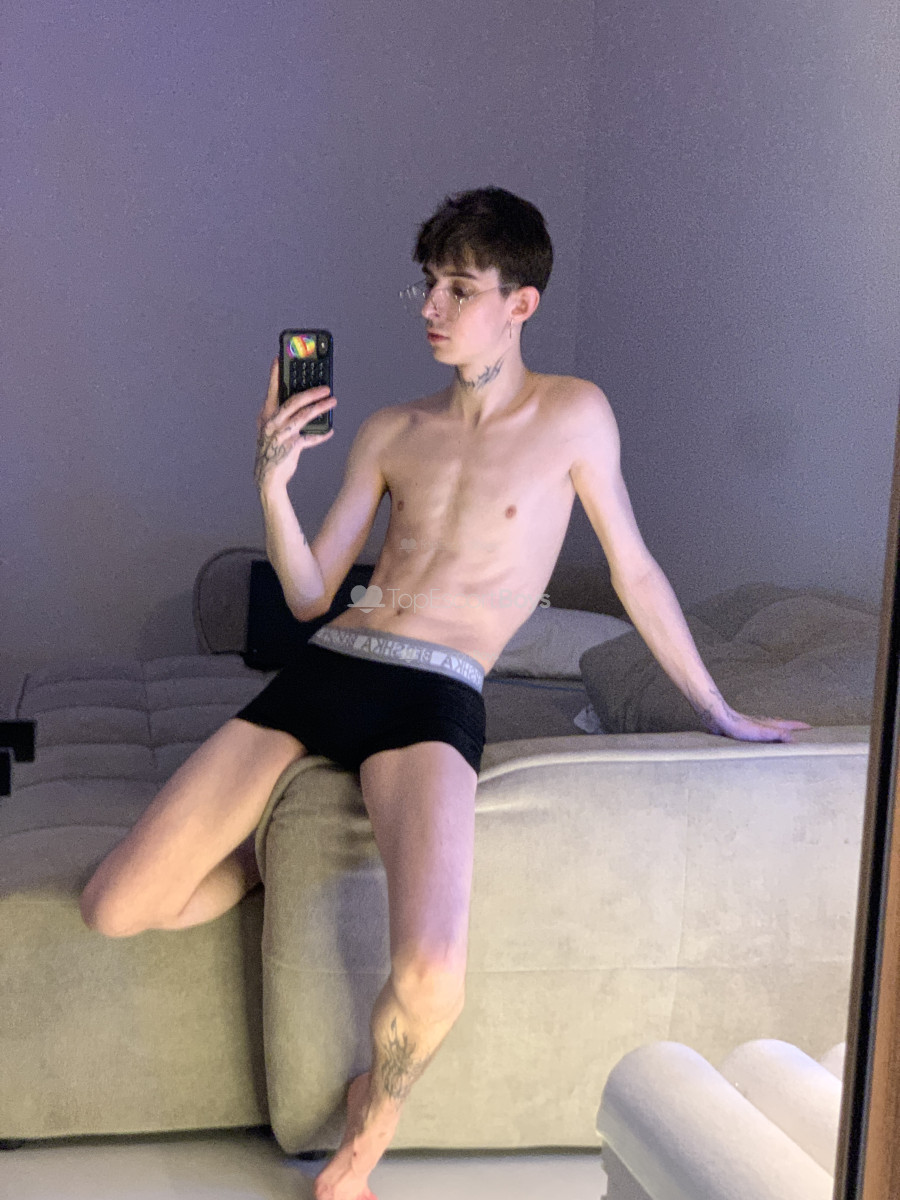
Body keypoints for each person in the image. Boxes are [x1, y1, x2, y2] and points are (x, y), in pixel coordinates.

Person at [79, 186, 810, 1200]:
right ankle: (262, 858)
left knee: (431, 976)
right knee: (117, 906)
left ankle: (367, 1129)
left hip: (433, 697)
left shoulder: (575, 414)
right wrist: (271, 485)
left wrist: (718, 709)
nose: (431, 307)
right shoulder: (392, 428)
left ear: (520, 303)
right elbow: (308, 593)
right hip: (330, 666)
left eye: (459, 288)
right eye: (428, 284)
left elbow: (635, 571)